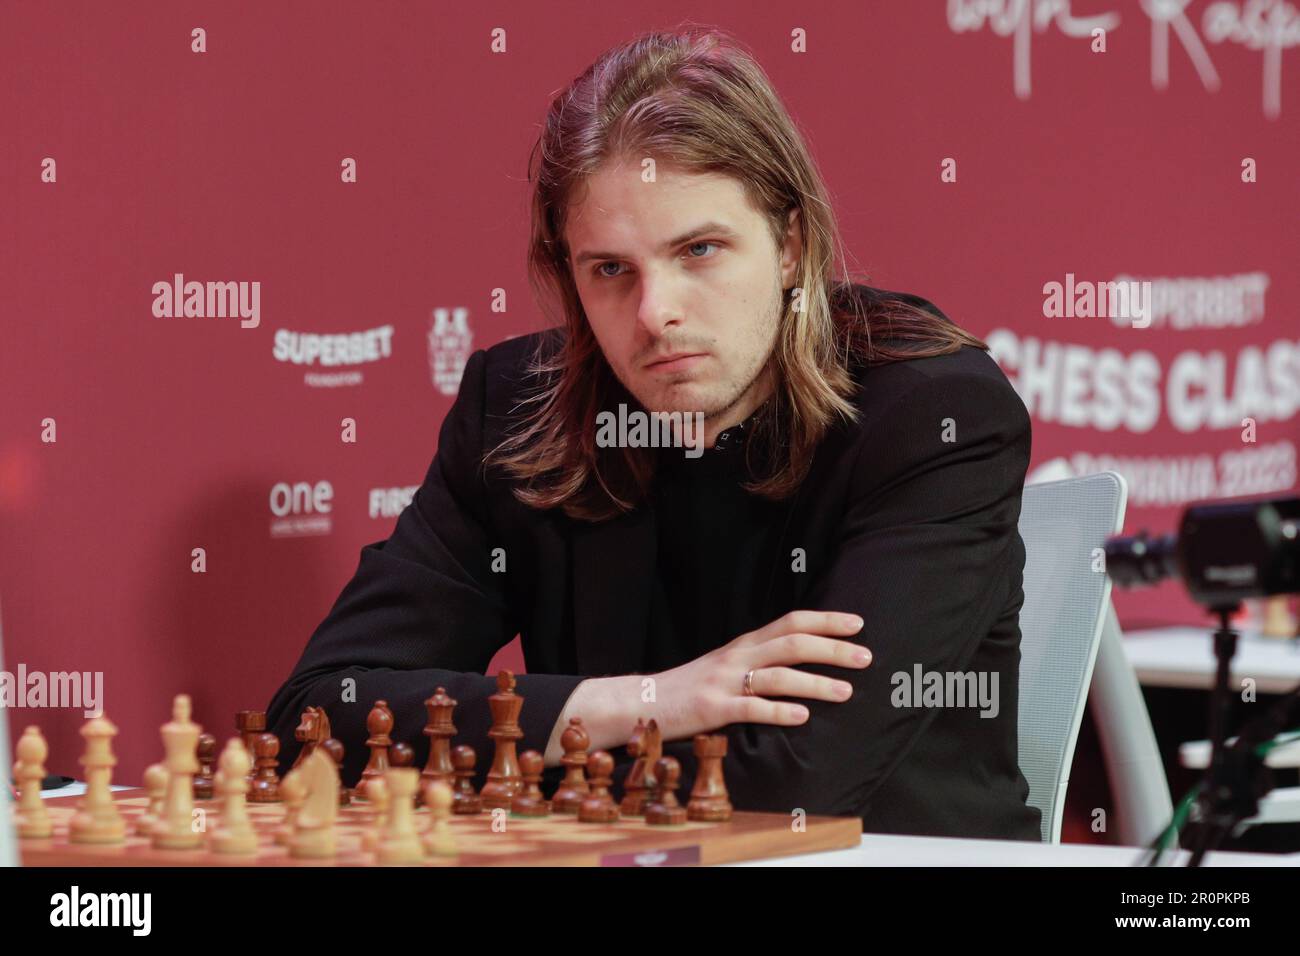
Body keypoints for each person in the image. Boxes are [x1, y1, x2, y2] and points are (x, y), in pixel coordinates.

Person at [266, 26, 1042, 840]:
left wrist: (527, 758)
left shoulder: (933, 416)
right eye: (610, 270)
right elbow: (319, 716)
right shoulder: (517, 410)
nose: (655, 313)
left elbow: (795, 783)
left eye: (699, 250)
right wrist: (649, 699)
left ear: (790, 244)